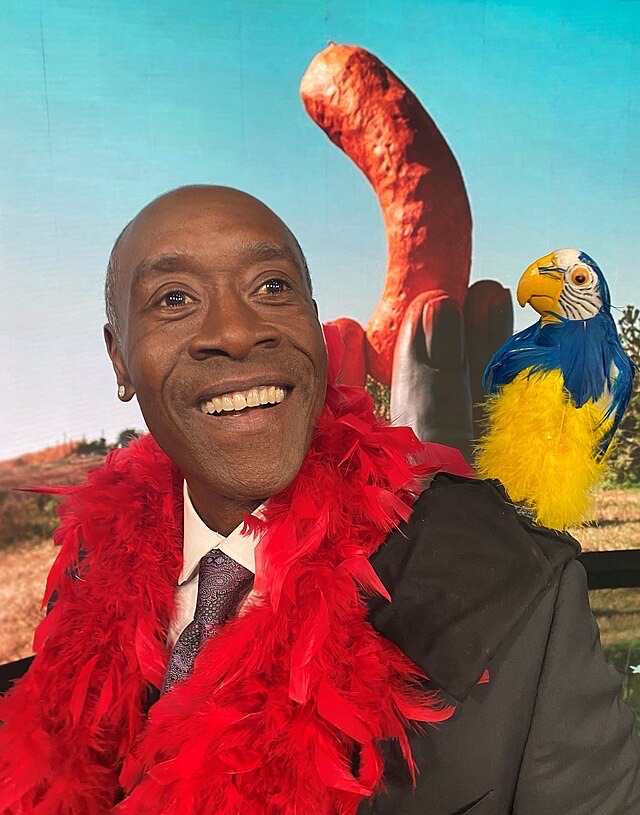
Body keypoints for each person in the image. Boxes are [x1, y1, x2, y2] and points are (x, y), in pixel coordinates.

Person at [1, 185, 639, 814]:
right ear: (118, 358)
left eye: (271, 287)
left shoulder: (515, 589)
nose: (235, 331)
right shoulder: (88, 565)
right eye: (175, 299)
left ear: (313, 319)